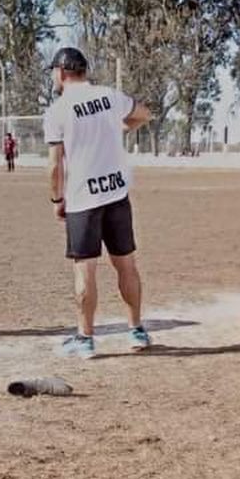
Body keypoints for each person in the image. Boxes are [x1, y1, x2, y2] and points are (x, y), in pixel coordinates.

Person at [44, 46, 152, 359]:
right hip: (117, 194)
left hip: (83, 199)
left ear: (62, 72)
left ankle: (85, 338)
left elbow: (54, 165)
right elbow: (143, 113)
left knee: (85, 271)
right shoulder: (109, 96)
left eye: (54, 72)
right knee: (126, 264)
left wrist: (56, 198)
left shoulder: (58, 110)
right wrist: (121, 128)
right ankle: (136, 331)